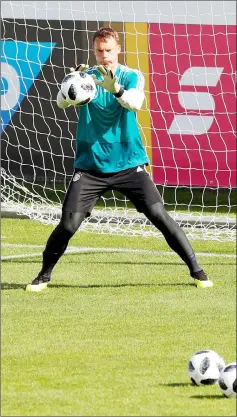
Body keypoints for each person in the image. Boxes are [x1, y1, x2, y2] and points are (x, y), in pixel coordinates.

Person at [26, 27, 213, 292]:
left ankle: (198, 271)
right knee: (68, 224)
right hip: (91, 166)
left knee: (159, 214)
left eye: (109, 51)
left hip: (128, 163)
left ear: (118, 50)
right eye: (99, 51)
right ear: (94, 51)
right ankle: (43, 275)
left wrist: (116, 90)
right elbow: (60, 103)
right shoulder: (86, 78)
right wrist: (71, 84)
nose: (104, 56)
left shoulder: (131, 75)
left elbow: (135, 103)